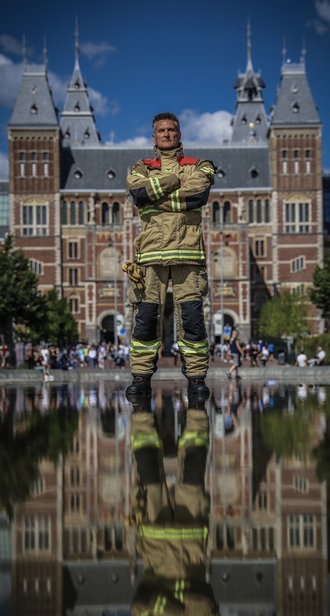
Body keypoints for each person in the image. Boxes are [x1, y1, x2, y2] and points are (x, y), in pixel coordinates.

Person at [124, 112, 215, 400]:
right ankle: (140, 378)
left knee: (192, 318)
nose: (166, 134)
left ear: (179, 134)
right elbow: (138, 193)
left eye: (171, 130)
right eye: (161, 130)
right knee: (146, 317)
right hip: (150, 255)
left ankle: (197, 379)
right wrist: (176, 179)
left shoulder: (201, 166)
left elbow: (196, 196)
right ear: (154, 136)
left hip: (188, 254)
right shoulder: (140, 167)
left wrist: (156, 196)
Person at [127, 400, 220, 616]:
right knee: (194, 462)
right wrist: (168, 604)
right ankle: (197, 404)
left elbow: (138, 604)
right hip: (191, 530)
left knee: (146, 464)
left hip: (153, 531)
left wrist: (173, 607)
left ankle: (141, 406)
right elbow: (207, 603)